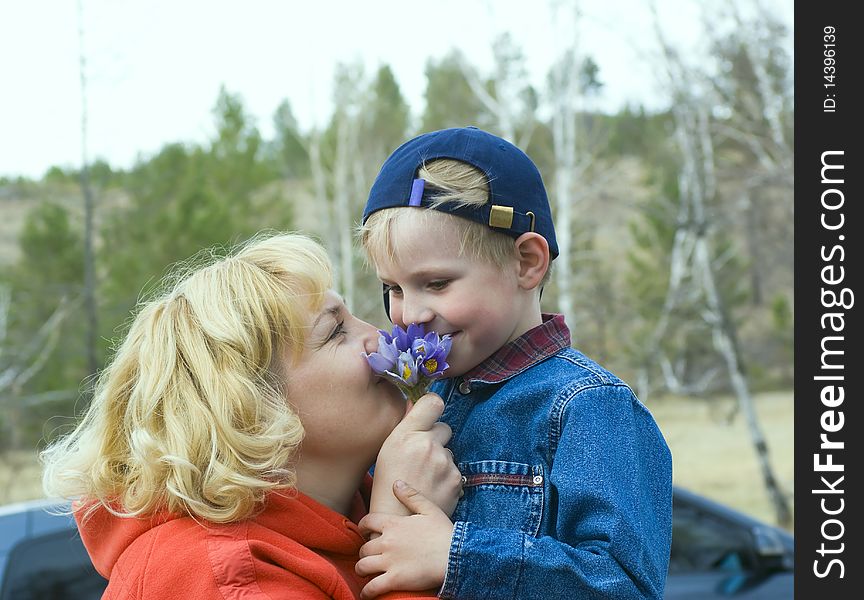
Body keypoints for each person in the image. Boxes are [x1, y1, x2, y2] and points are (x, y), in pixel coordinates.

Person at [40, 232, 462, 600]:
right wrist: (397, 536)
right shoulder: (221, 577)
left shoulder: (349, 513)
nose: (381, 335)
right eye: (335, 332)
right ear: (250, 408)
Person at [355, 126, 673, 599]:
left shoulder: (589, 409)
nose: (411, 315)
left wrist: (455, 556)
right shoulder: (419, 395)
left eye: (437, 283)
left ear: (526, 262)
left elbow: (624, 585)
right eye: (394, 289)